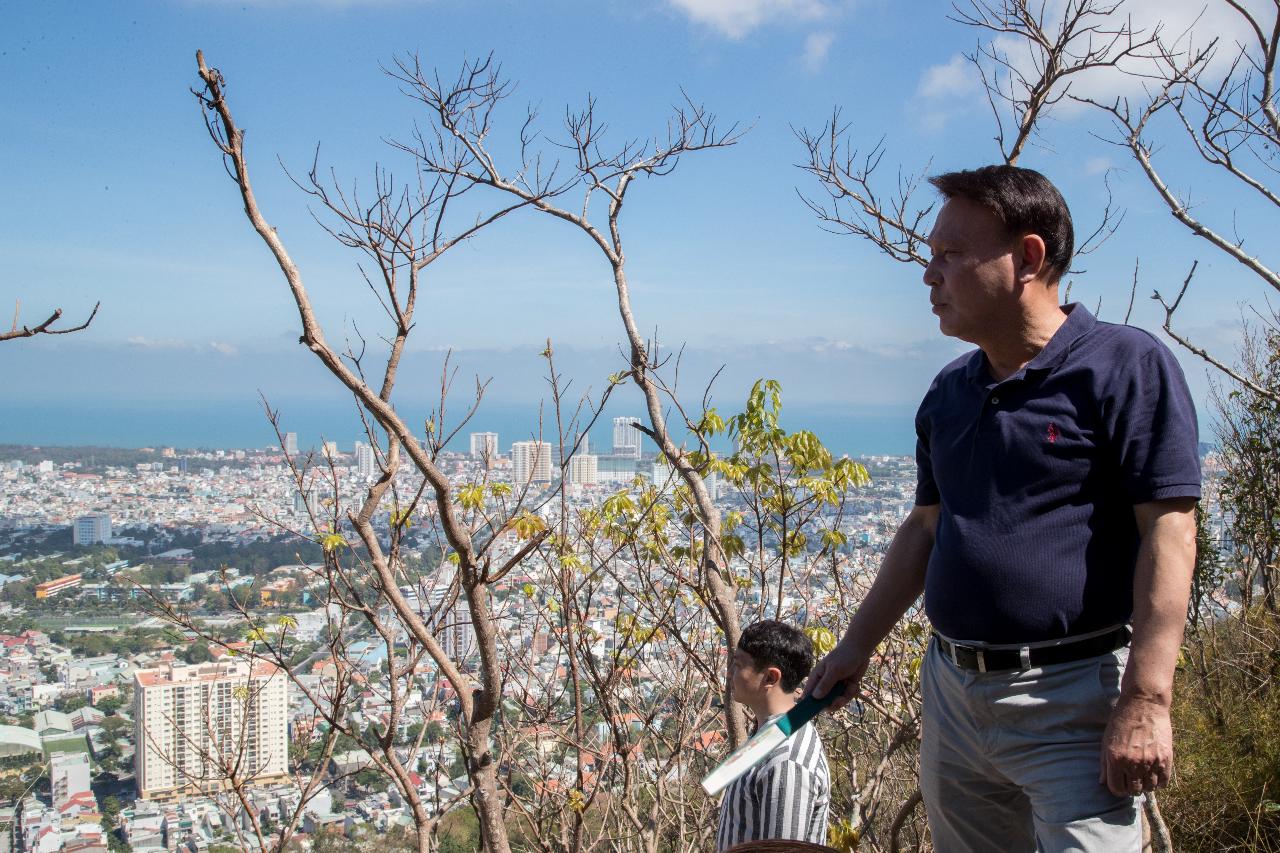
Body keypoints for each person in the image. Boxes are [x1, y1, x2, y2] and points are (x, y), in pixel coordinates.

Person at [805, 165, 1200, 852]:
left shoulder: (1123, 366)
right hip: (954, 694)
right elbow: (925, 528)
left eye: (949, 255)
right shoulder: (948, 393)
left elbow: (1169, 530)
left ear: (1028, 257)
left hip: (1073, 698)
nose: (930, 276)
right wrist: (855, 645)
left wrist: (1147, 697)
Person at [717, 620, 831, 850]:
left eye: (738, 665)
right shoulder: (771, 735)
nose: (730, 674)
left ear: (770, 677)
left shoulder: (787, 761)